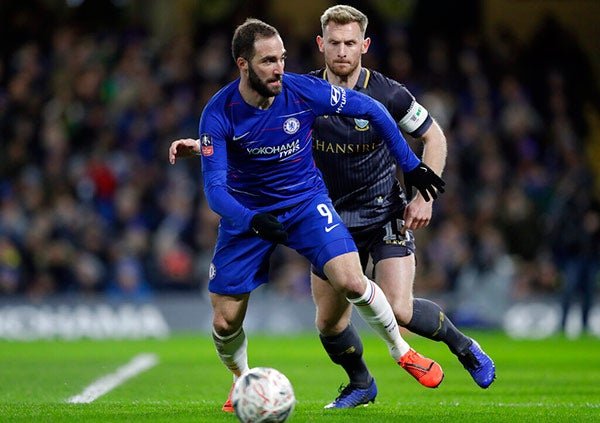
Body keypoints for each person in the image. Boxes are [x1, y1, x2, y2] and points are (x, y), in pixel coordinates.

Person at [168, 18, 446, 412]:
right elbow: (215, 192)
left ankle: (402, 351)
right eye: (268, 61)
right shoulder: (219, 112)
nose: (279, 68)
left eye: (281, 58)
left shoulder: (304, 90)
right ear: (243, 65)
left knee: (351, 279)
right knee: (225, 322)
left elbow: (373, 109)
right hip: (247, 213)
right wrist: (251, 219)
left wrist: (411, 163)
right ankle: (241, 380)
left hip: (305, 202)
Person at [308, 5, 496, 408]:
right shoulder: (302, 93)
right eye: (335, 43)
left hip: (384, 212)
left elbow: (435, 138)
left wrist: (424, 195)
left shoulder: (389, 94)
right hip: (327, 220)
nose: (343, 51)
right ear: (322, 45)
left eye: (351, 43)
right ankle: (361, 384)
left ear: (365, 45)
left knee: (400, 309)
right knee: (329, 323)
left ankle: (464, 347)